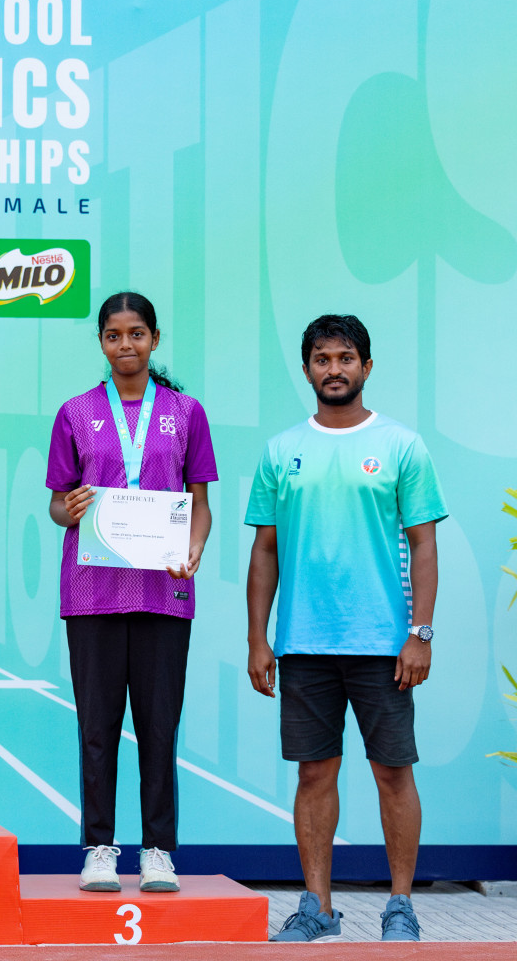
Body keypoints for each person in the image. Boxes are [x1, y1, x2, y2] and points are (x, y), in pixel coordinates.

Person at [246, 314, 443, 943]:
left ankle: (401, 907)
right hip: (304, 643)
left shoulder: (402, 445)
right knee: (313, 775)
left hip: (385, 645)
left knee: (393, 773)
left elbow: (424, 543)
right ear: (306, 368)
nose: (335, 369)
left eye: (346, 357)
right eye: (323, 358)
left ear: (367, 366)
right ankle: (318, 909)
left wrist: (421, 633)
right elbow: (265, 552)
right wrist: (259, 638)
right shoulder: (281, 450)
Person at [45, 291, 216, 893]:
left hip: (164, 594)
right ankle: (97, 848)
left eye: (137, 333)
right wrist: (70, 508)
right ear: (102, 343)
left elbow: (200, 504)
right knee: (96, 727)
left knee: (159, 729)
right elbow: (57, 505)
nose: (126, 344)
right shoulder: (75, 412)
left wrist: (193, 551)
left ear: (155, 339)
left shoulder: (186, 412)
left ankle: (158, 851)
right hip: (91, 593)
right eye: (114, 335)